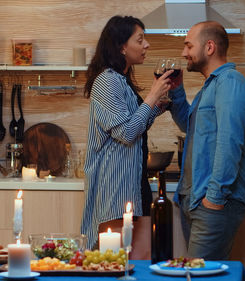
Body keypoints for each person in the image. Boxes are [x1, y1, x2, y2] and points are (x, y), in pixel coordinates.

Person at [80, 15, 173, 252]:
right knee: (113, 262)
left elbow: (135, 125)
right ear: (122, 46)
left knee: (135, 260)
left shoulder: (121, 80)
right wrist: (152, 97)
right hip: (115, 191)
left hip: (133, 183)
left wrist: (159, 105)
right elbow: (128, 132)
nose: (146, 45)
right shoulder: (107, 81)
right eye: (140, 40)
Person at [168, 21, 245, 260]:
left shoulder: (230, 82)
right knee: (199, 274)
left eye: (188, 45)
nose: (183, 52)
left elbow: (230, 143)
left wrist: (214, 199)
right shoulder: (210, 86)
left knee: (200, 277)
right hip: (196, 201)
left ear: (209, 47)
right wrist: (177, 91)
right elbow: (190, 124)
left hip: (214, 203)